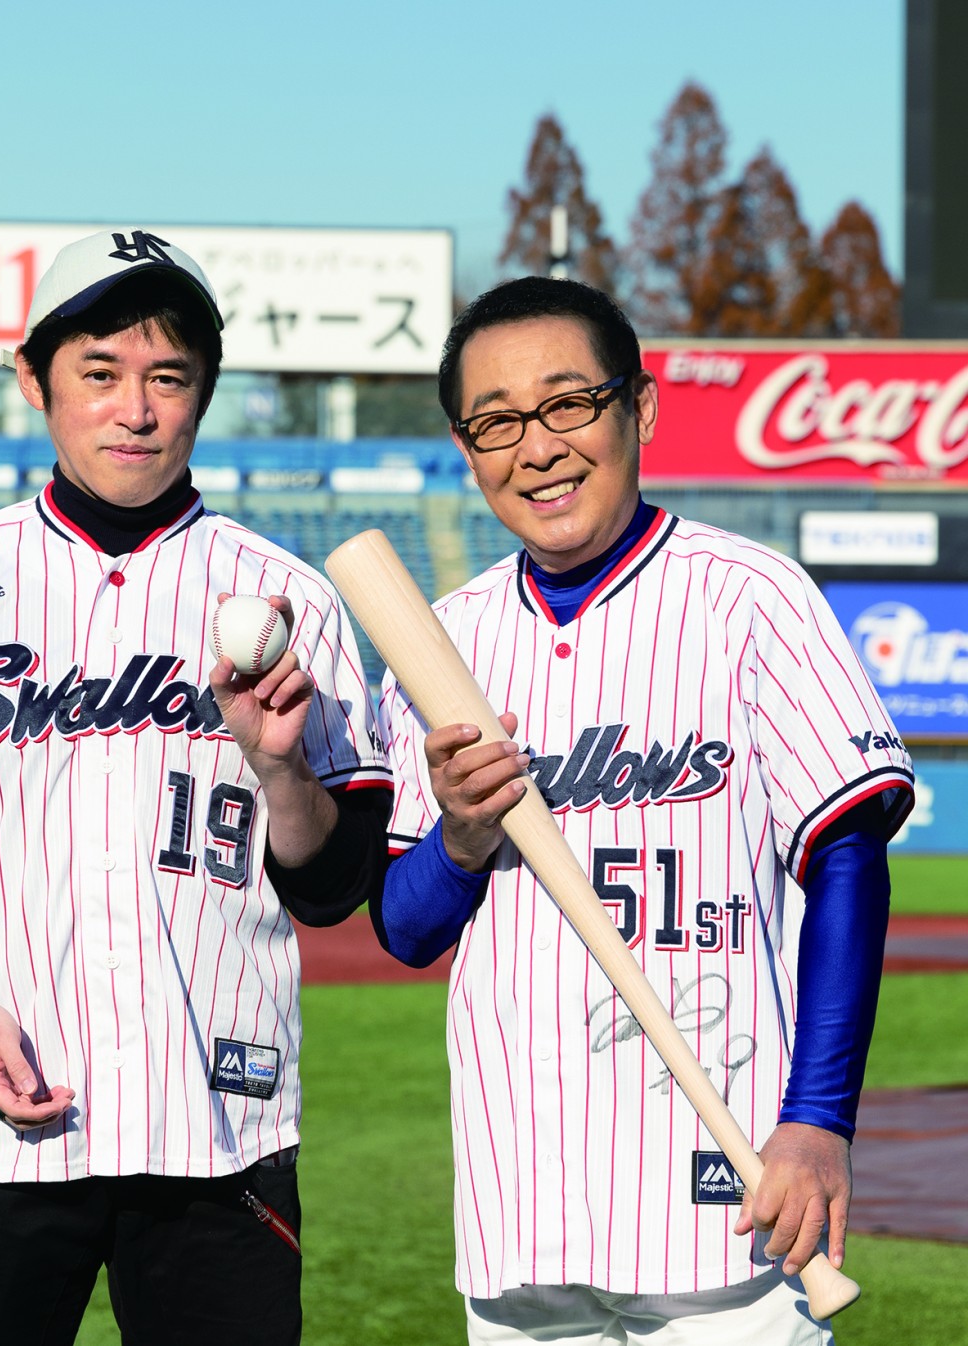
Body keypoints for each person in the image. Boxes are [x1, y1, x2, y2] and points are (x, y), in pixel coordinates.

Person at [0, 228, 391, 1346]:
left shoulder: (288, 597)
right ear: (35, 381)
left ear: (203, 393)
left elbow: (332, 885)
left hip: (220, 1128)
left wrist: (278, 766)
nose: (136, 410)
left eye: (169, 377)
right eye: (100, 372)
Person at [371, 276, 914, 1345]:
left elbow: (847, 857)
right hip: (522, 1203)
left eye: (569, 403)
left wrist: (819, 1119)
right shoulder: (439, 643)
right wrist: (463, 836)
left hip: (730, 1199)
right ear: (467, 449)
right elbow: (406, 926)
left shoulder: (751, 597)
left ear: (641, 408)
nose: (538, 448)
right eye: (497, 422)